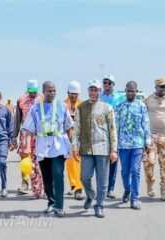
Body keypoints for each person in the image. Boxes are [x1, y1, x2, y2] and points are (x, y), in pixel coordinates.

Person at [23, 81, 73, 217]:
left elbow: (69, 126)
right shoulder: (35, 108)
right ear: (43, 92)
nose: (52, 93)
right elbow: (28, 129)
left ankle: (59, 206)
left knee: (57, 174)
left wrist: (71, 144)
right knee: (46, 176)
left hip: (58, 146)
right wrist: (27, 146)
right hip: (42, 146)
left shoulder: (62, 106)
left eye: (54, 90)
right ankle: (51, 202)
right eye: (49, 91)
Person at [72, 79, 118, 218]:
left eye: (96, 90)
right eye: (91, 90)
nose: (93, 92)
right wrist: (74, 146)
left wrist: (114, 150)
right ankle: (90, 195)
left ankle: (99, 205)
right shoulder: (81, 107)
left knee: (102, 181)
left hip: (103, 149)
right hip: (86, 148)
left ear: (99, 91)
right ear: (88, 91)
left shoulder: (106, 107)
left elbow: (112, 129)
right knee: (84, 177)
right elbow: (76, 128)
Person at [115, 81, 151, 210]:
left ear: (136, 91)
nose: (130, 93)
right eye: (128, 90)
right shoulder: (119, 106)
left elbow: (145, 123)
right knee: (125, 171)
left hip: (137, 143)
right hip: (123, 144)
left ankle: (134, 198)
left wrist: (147, 141)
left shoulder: (141, 106)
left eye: (133, 91)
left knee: (135, 170)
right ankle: (127, 189)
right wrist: (114, 143)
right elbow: (116, 126)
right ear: (125, 91)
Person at [143, 78, 165, 200]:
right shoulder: (147, 100)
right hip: (150, 136)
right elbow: (142, 118)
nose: (164, 89)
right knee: (149, 162)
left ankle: (164, 190)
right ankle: (150, 183)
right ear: (156, 87)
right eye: (161, 87)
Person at [12, 79, 44, 198]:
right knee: (28, 163)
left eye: (35, 90)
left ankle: (45, 188)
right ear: (27, 89)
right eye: (31, 91)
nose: (33, 93)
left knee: (41, 163)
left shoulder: (42, 98)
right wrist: (14, 137)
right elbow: (17, 120)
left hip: (40, 135)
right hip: (26, 136)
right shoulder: (21, 100)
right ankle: (31, 187)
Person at [99, 74, 124, 199]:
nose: (107, 85)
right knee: (102, 163)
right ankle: (102, 188)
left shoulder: (120, 98)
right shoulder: (98, 97)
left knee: (113, 162)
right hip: (101, 134)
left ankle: (110, 189)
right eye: (105, 82)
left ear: (114, 84)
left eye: (109, 83)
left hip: (115, 133)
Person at [64, 81, 84, 200]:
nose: (73, 96)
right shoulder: (62, 105)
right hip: (66, 139)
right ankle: (73, 184)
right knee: (69, 163)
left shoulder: (82, 105)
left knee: (78, 163)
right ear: (68, 93)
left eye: (76, 94)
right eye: (72, 94)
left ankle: (78, 188)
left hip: (79, 138)